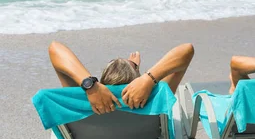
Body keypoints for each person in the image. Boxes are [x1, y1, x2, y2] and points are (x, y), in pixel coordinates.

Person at [48, 41, 194, 114]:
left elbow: (55, 48)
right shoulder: (156, 98)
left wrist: (91, 86)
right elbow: (187, 50)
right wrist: (148, 79)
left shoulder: (83, 102)